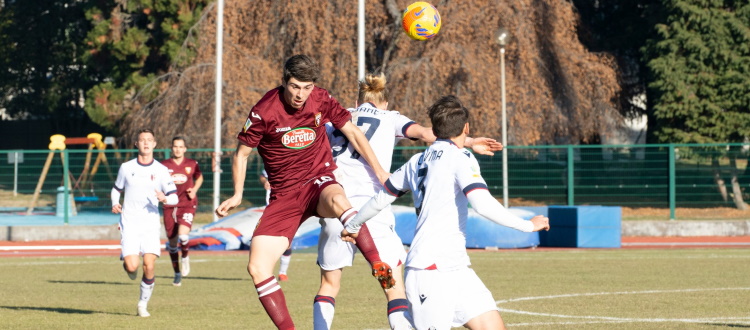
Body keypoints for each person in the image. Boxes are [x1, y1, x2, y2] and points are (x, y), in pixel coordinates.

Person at [341, 95, 551, 330]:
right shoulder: (460, 157)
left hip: (457, 267)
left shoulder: (417, 160)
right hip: (429, 270)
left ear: (435, 129)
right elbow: (481, 204)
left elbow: (380, 199)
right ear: (466, 127)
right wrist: (528, 225)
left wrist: (353, 225)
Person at [215, 54, 392, 329]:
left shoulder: (321, 98)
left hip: (318, 179)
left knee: (337, 199)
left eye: (307, 87)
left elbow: (354, 133)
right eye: (295, 86)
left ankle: (378, 264)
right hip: (284, 195)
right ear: (285, 81)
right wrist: (237, 194)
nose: (301, 94)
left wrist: (379, 171)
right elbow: (241, 154)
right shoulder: (264, 110)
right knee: (257, 267)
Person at [315, 73, 504, 330]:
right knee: (395, 291)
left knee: (329, 285)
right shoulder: (390, 117)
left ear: (357, 102)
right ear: (385, 103)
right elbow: (429, 134)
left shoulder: (335, 118)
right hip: (372, 210)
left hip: (336, 206)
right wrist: (469, 140)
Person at [111, 129, 178, 317]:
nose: (146, 143)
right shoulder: (126, 167)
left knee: (149, 264)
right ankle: (128, 264)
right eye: (142, 140)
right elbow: (116, 189)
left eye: (149, 140)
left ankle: (142, 304)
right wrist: (115, 203)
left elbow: (174, 199)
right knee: (132, 266)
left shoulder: (161, 170)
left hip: (149, 224)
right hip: (129, 222)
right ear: (136, 144)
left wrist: (164, 198)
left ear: (155, 144)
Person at [161, 136, 203, 286]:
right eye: (175, 146)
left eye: (181, 146)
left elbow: (199, 177)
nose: (178, 149)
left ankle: (185, 257)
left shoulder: (192, 164)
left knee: (183, 236)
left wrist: (194, 190)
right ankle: (177, 273)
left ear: (185, 149)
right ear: (171, 148)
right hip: (170, 206)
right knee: (172, 243)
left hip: (187, 204)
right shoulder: (163, 165)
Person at [259, 168, 292, 282]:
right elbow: (262, 175)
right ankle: (266, 272)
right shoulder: (273, 161)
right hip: (271, 209)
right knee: (267, 242)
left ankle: (283, 273)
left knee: (287, 243)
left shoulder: (296, 164)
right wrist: (265, 182)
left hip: (289, 209)